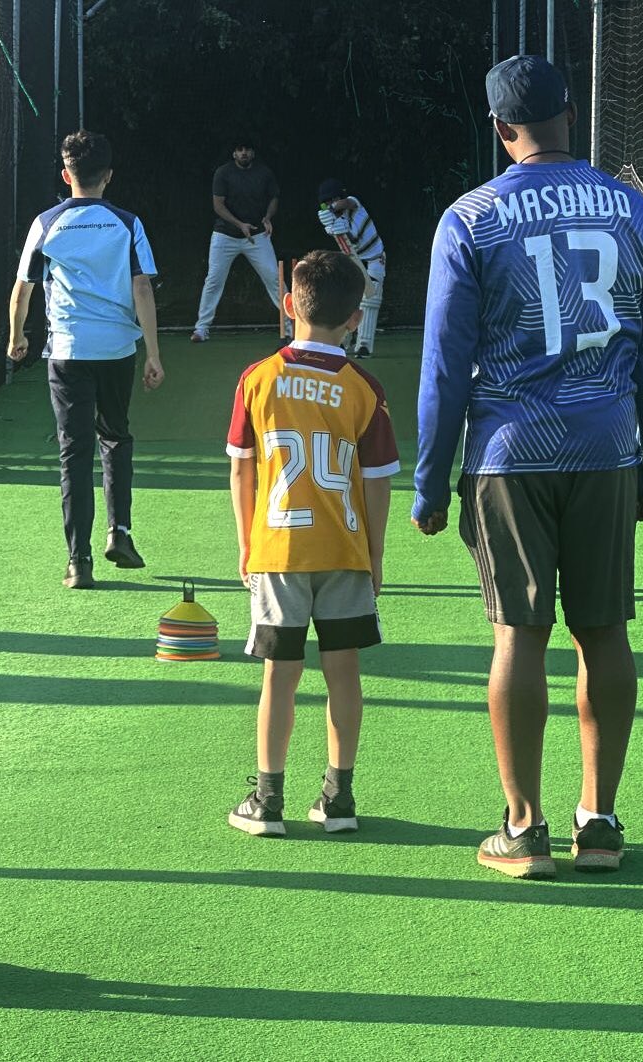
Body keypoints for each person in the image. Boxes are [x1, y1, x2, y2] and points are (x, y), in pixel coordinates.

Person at [412, 56, 643, 879]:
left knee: (516, 635)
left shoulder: (471, 216)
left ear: (499, 129)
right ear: (572, 113)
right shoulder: (636, 210)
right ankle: (597, 823)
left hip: (508, 451)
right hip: (608, 448)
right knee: (605, 631)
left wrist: (428, 480)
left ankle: (521, 829)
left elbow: (445, 366)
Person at [226, 250, 400, 836]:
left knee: (280, 672)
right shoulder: (364, 388)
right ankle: (338, 798)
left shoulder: (258, 379)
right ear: (356, 317)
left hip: (279, 548)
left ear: (287, 305)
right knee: (342, 671)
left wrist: (247, 544)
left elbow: (241, 470)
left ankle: (267, 801)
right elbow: (378, 486)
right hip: (345, 551)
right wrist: (374, 558)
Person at [8, 131, 164, 589]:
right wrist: (153, 352)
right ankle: (121, 533)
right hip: (117, 351)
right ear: (108, 176)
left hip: (68, 352)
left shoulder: (47, 222)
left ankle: (79, 562)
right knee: (115, 437)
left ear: (65, 175)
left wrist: (16, 337)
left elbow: (24, 288)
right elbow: (142, 287)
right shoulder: (126, 222)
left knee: (74, 453)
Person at [190, 139, 288, 343]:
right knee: (213, 280)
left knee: (274, 278)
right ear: (234, 154)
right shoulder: (223, 173)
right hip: (225, 236)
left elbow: (273, 199)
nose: (243, 153)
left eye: (247, 150)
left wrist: (267, 218)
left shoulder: (264, 173)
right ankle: (201, 329)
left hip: (257, 236)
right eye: (239, 150)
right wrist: (239, 224)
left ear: (252, 153)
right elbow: (218, 206)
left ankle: (291, 327)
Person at [316, 178, 386, 358]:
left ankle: (364, 346)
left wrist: (333, 208)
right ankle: (343, 341)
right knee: (347, 300)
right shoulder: (332, 223)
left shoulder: (354, 204)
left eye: (333, 200)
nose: (331, 204)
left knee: (370, 299)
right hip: (353, 261)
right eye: (327, 202)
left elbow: (346, 203)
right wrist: (333, 229)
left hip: (374, 257)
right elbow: (348, 245)